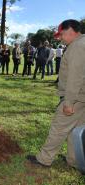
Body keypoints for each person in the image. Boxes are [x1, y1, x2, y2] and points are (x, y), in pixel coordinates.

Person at [27, 19, 85, 171]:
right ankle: (74, 160)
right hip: (83, 98)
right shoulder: (81, 43)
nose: (60, 38)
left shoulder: (78, 46)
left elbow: (76, 76)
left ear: (71, 31)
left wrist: (69, 102)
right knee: (76, 130)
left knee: (58, 128)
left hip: (76, 97)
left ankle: (44, 159)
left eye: (62, 35)